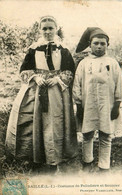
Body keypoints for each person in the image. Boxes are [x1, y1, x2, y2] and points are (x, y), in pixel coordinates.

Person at [5, 16, 78, 172]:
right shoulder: (34, 48)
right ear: (39, 30)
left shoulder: (62, 49)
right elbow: (24, 69)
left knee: (54, 122)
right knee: (35, 121)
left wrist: (58, 79)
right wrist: (35, 77)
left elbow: (70, 70)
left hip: (56, 92)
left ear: (57, 28)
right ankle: (35, 157)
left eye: (50, 28)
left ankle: (54, 158)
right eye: (44, 28)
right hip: (37, 90)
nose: (47, 31)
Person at [73, 27, 122, 172]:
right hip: (88, 105)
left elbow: (119, 85)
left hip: (107, 105)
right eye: (96, 43)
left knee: (106, 135)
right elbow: (77, 84)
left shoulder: (112, 63)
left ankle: (104, 166)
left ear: (107, 45)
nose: (99, 46)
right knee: (87, 134)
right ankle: (87, 161)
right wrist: (79, 106)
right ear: (90, 45)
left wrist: (117, 106)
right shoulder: (84, 63)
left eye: (103, 43)